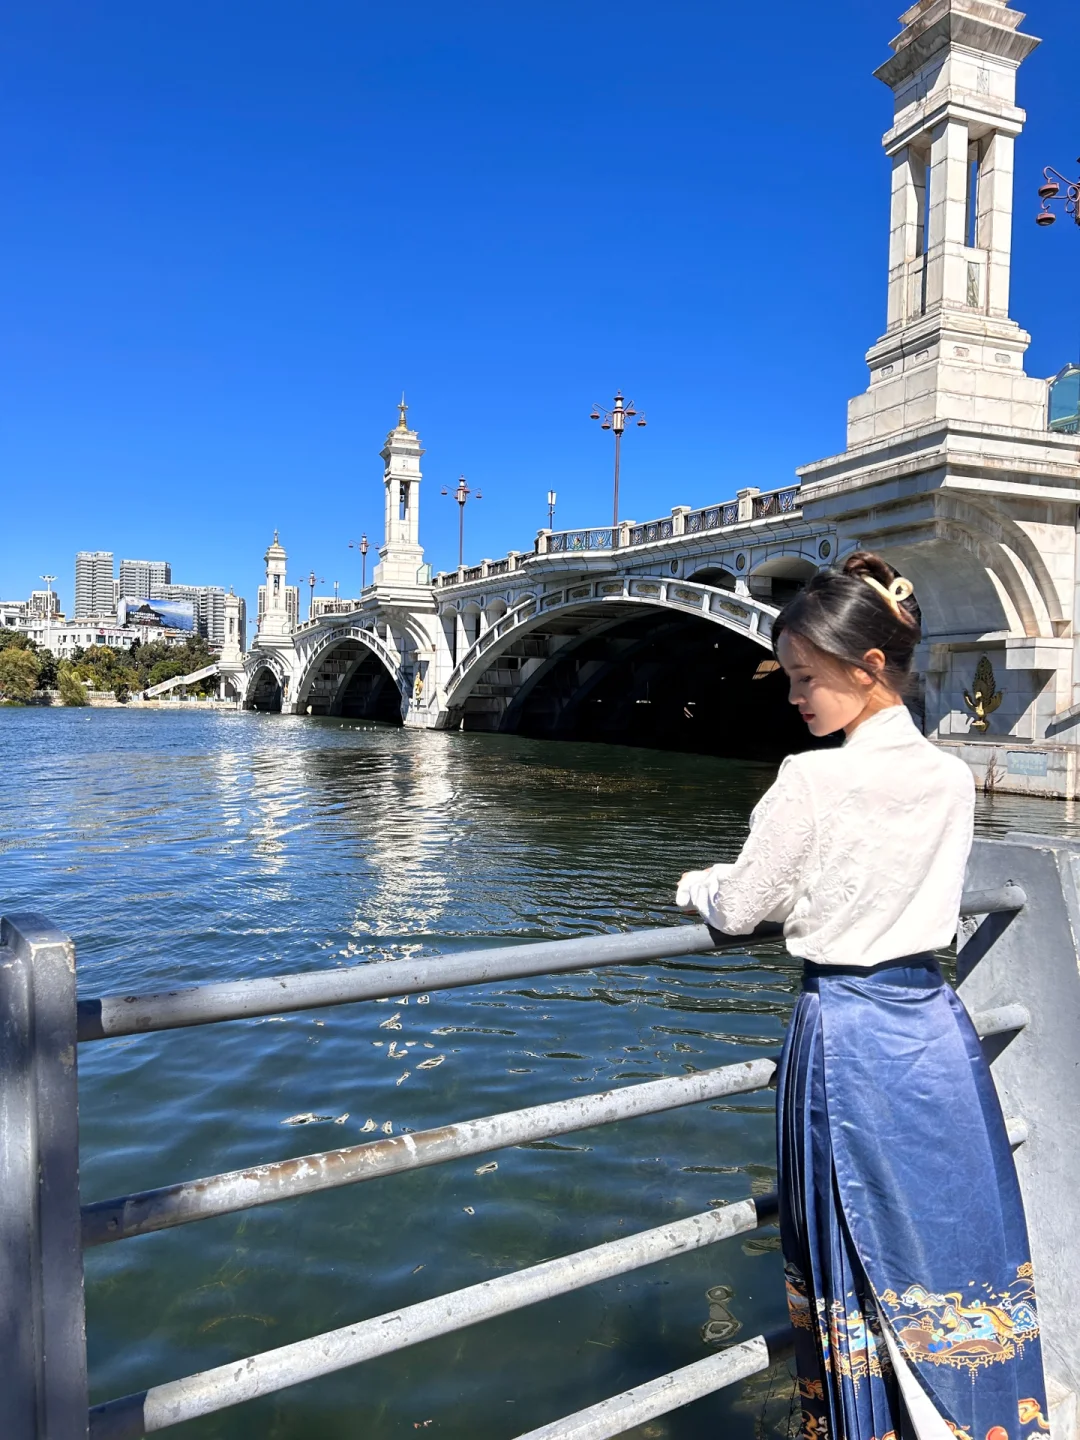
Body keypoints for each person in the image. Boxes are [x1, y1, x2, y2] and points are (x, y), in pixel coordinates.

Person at [676, 552, 1048, 1440]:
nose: (795, 697)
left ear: (867, 666)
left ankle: (865, 1423)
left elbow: (743, 905)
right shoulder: (952, 777)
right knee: (956, 1241)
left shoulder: (811, 779)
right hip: (935, 1032)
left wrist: (699, 885)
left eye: (806, 677)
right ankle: (983, 1413)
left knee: (845, 1248)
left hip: (845, 1036)